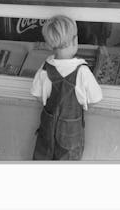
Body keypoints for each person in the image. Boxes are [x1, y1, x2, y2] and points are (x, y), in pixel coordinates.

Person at [31, 15, 102, 160]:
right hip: (71, 133)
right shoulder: (82, 71)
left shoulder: (44, 69)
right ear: (75, 40)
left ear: (49, 45)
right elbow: (95, 99)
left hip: (47, 130)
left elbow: (38, 96)